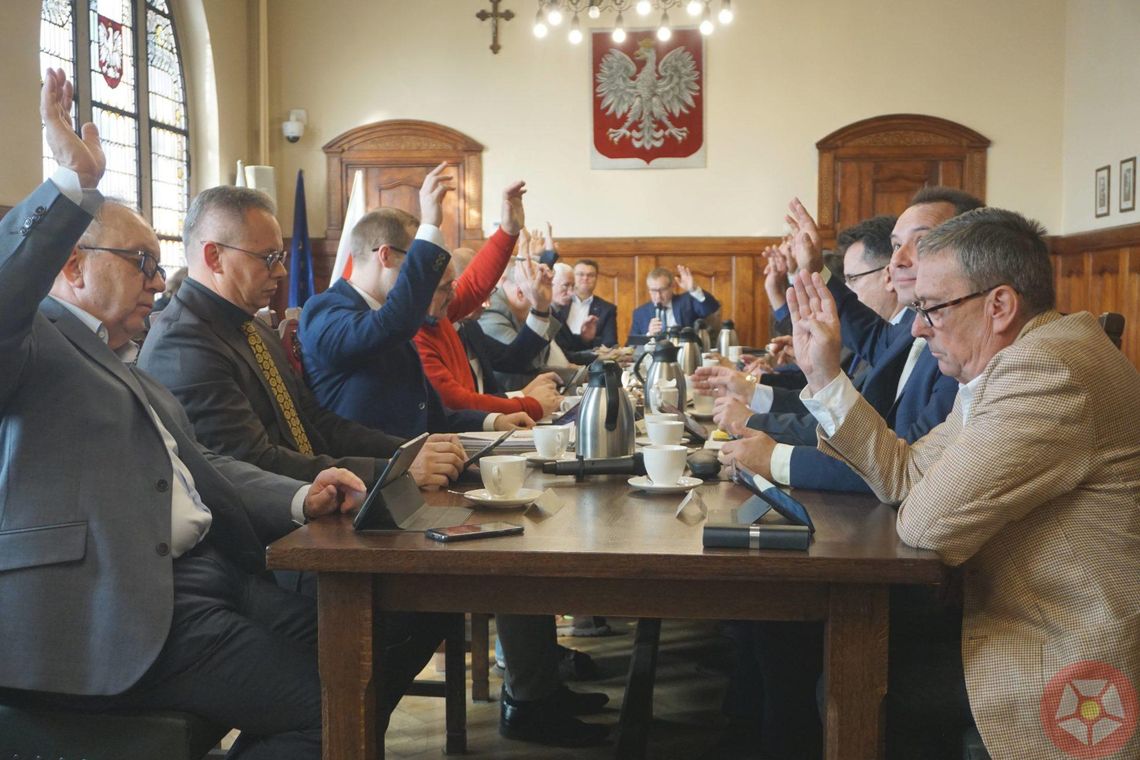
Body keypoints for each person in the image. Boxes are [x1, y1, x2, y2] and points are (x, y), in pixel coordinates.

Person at [0, 69, 426, 759]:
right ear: (72, 266)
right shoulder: (27, 341)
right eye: (141, 261)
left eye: (159, 262)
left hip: (206, 577)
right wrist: (68, 187)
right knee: (328, 714)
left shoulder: (119, 356)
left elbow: (202, 471)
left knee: (365, 655)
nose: (160, 280)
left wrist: (299, 497)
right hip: (109, 611)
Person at [787, 208, 1140, 759]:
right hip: (1009, 608)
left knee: (849, 680)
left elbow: (931, 523)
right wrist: (824, 377)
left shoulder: (1046, 371)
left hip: (1063, 648)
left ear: (998, 305)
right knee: (835, 654)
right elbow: (905, 472)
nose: (920, 326)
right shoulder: (1016, 360)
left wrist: (928, 490)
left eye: (932, 308)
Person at [138, 185, 466, 491]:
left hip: (310, 498)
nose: (281, 272)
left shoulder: (250, 327)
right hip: (265, 527)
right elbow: (252, 465)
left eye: (279, 258)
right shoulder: (184, 344)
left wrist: (408, 452)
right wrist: (397, 471)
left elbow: (316, 422)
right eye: (268, 259)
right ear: (214, 257)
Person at [297, 167, 528, 439]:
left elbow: (432, 417)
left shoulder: (392, 315)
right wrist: (429, 226)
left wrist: (493, 421)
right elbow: (394, 323)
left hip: (418, 460)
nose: (425, 282)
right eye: (416, 258)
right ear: (386, 256)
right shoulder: (324, 311)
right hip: (366, 472)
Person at [416, 243, 563, 421]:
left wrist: (541, 308)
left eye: (489, 292)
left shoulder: (470, 327)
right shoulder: (423, 332)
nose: (487, 303)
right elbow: (458, 403)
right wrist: (527, 401)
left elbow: (513, 359)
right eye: (479, 293)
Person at [477, 253, 575, 389]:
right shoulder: (489, 310)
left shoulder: (524, 309)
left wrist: (542, 309)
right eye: (540, 289)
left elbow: (537, 360)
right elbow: (525, 363)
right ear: (520, 293)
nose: (547, 295)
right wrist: (574, 376)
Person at [628, 264, 720, 340]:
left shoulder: (687, 301)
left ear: (672, 287)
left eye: (662, 290)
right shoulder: (640, 313)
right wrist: (649, 335)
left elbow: (711, 308)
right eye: (653, 291)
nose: (658, 296)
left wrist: (694, 289)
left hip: (685, 355)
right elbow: (632, 346)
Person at [549, 262, 600, 364]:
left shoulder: (557, 312)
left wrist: (584, 338)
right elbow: (564, 356)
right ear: (549, 284)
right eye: (566, 286)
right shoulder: (545, 314)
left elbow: (569, 345)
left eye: (573, 286)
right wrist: (598, 356)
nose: (571, 293)